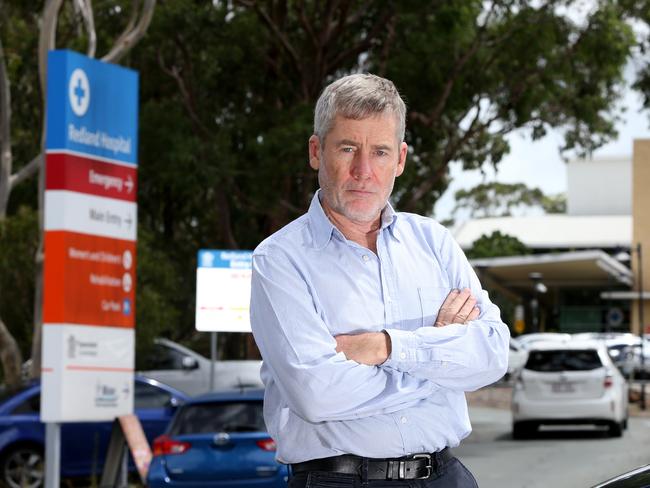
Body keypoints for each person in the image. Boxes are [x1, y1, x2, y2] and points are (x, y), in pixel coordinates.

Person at [250, 73, 509, 487]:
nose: (363, 170)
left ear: (401, 159)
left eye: (381, 152)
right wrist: (438, 356)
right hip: (340, 481)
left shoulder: (435, 243)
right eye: (348, 148)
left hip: (445, 476)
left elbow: (493, 354)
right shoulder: (280, 260)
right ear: (317, 151)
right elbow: (316, 394)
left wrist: (385, 347)